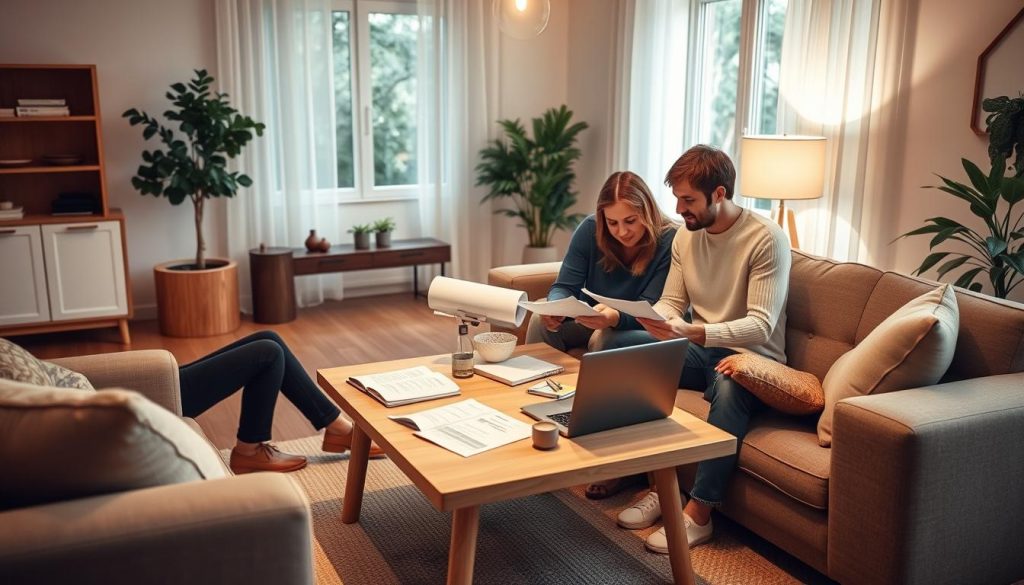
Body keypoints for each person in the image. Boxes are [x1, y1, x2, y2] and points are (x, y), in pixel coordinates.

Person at [616, 145, 790, 553]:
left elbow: (760, 325)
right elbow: (672, 303)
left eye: (688, 200)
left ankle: (700, 514)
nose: (679, 209)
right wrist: (653, 319)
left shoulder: (766, 239)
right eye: (676, 198)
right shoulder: (685, 237)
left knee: (728, 386)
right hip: (701, 347)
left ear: (719, 194)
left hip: (753, 359)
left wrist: (695, 332)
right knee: (632, 355)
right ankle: (660, 487)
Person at [179, 330, 383, 475]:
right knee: (268, 353)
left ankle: (338, 427)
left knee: (268, 338)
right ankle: (249, 451)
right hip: (155, 390)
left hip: (157, 375)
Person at [536, 170, 677, 355]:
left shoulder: (670, 239)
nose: (622, 232)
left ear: (647, 212)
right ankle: (540, 382)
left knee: (604, 337)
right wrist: (555, 306)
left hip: (638, 327)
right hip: (595, 319)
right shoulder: (590, 229)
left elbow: (652, 309)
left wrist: (614, 319)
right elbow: (564, 285)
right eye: (612, 223)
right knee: (540, 323)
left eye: (630, 221)